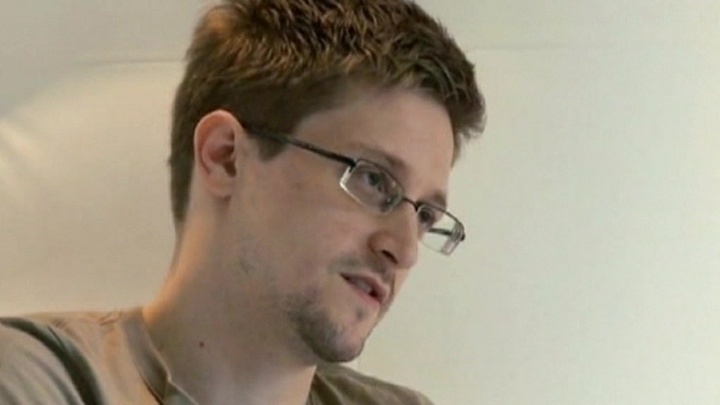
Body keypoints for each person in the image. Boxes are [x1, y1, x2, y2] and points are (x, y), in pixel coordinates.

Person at [0, 0, 485, 403]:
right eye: (374, 180)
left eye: (425, 215)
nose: (405, 249)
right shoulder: (39, 380)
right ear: (226, 157)